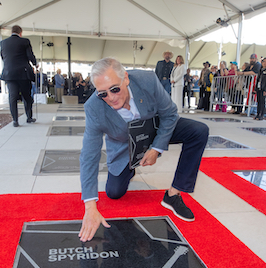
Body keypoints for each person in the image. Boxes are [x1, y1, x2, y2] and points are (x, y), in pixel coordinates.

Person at [79, 57, 209, 243]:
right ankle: (130, 168)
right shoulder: (93, 108)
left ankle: (174, 194)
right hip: (124, 146)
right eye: (103, 94)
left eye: (115, 89)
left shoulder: (147, 80)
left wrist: (156, 148)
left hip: (154, 130)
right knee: (114, 193)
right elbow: (89, 156)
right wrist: (90, 207)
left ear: (126, 78)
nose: (111, 97)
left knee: (198, 131)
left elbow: (170, 114)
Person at [0, 25, 37, 127]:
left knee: (12, 97)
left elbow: (3, 56)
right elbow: (30, 55)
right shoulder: (24, 41)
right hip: (23, 73)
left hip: (9, 73)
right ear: (20, 33)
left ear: (11, 32)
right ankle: (29, 117)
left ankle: (15, 120)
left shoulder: (3, 43)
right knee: (26, 96)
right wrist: (35, 63)